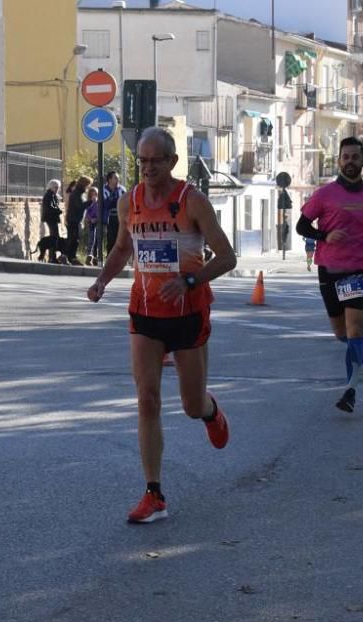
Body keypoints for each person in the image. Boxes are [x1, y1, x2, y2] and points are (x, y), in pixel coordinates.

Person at [87, 126, 236, 524]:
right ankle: (154, 494)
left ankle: (210, 412)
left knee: (189, 405)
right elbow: (122, 248)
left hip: (189, 314)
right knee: (147, 399)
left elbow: (227, 258)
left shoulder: (193, 202)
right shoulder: (129, 201)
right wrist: (102, 280)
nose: (148, 167)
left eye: (156, 160)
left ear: (172, 161)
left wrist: (189, 280)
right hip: (145, 313)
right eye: (142, 160)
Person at [296, 137, 363, 413]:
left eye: (355, 157)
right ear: (339, 161)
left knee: (355, 331)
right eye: (345, 157)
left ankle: (351, 389)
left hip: (360, 268)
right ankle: (353, 359)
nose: (350, 162)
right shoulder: (324, 194)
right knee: (342, 333)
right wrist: (325, 235)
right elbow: (302, 226)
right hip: (330, 268)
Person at [65, 175, 91, 266]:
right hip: (73, 219)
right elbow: (80, 205)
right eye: (88, 185)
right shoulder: (77, 193)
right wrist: (91, 202)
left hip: (76, 219)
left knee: (75, 239)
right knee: (73, 239)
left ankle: (71, 256)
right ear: (84, 184)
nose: (88, 187)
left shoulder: (79, 193)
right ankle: (69, 257)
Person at [102, 171, 126, 254]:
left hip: (120, 217)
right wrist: (114, 197)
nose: (117, 180)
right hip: (109, 217)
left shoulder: (122, 189)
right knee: (111, 239)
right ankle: (109, 257)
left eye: (118, 178)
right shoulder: (104, 190)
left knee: (121, 239)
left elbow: (124, 203)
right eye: (115, 178)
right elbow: (106, 204)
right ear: (109, 179)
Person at [40, 179, 63, 263]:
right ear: (51, 187)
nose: (57, 189)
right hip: (51, 218)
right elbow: (49, 208)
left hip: (52, 218)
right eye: (56, 187)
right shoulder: (49, 195)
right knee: (54, 237)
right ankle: (52, 257)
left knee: (55, 237)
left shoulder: (53, 195)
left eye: (58, 187)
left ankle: (52, 257)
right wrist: (58, 210)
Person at [84, 185, 101, 266]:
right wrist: (89, 219)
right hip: (91, 223)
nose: (94, 196)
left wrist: (96, 219)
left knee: (97, 241)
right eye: (92, 194)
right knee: (91, 240)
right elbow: (87, 213)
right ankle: (89, 257)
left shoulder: (98, 203)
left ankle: (96, 258)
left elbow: (99, 212)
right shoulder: (89, 203)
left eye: (95, 194)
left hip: (98, 223)